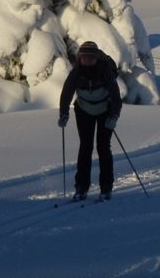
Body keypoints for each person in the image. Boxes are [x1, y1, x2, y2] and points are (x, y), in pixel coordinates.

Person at [58, 41, 122, 201]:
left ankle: (106, 188)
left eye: (90, 58)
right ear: (80, 58)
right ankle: (81, 188)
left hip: (105, 111)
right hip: (83, 110)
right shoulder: (76, 72)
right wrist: (64, 113)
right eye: (83, 57)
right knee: (85, 147)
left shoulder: (105, 71)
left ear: (95, 58)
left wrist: (113, 117)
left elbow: (116, 97)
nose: (86, 60)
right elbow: (66, 93)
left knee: (103, 147)